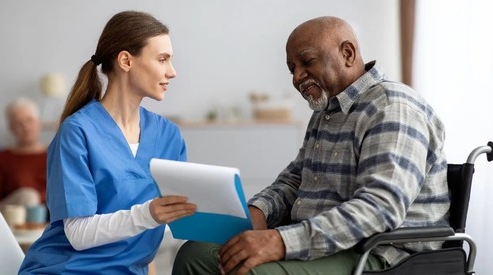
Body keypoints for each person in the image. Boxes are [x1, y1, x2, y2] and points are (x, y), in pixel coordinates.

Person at [172, 16, 449, 275]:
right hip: (322, 244)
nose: (296, 77)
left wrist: (280, 242)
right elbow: (296, 181)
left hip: (379, 253)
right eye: (292, 69)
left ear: (348, 54)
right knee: (194, 254)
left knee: (244, 270)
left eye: (307, 62)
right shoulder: (326, 111)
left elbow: (379, 208)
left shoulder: (392, 107)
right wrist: (257, 214)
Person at [18, 10, 197, 275]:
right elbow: (78, 233)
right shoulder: (77, 132)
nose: (172, 72)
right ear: (126, 60)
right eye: (162, 59)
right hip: (66, 270)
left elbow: (171, 220)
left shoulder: (168, 136)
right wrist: (149, 214)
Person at [0, 97, 46, 209]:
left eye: (30, 120)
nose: (26, 127)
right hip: (12, 212)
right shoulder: (3, 157)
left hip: (48, 212)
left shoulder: (55, 154)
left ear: (39, 122)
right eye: (19, 123)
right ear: (11, 128)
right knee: (29, 196)